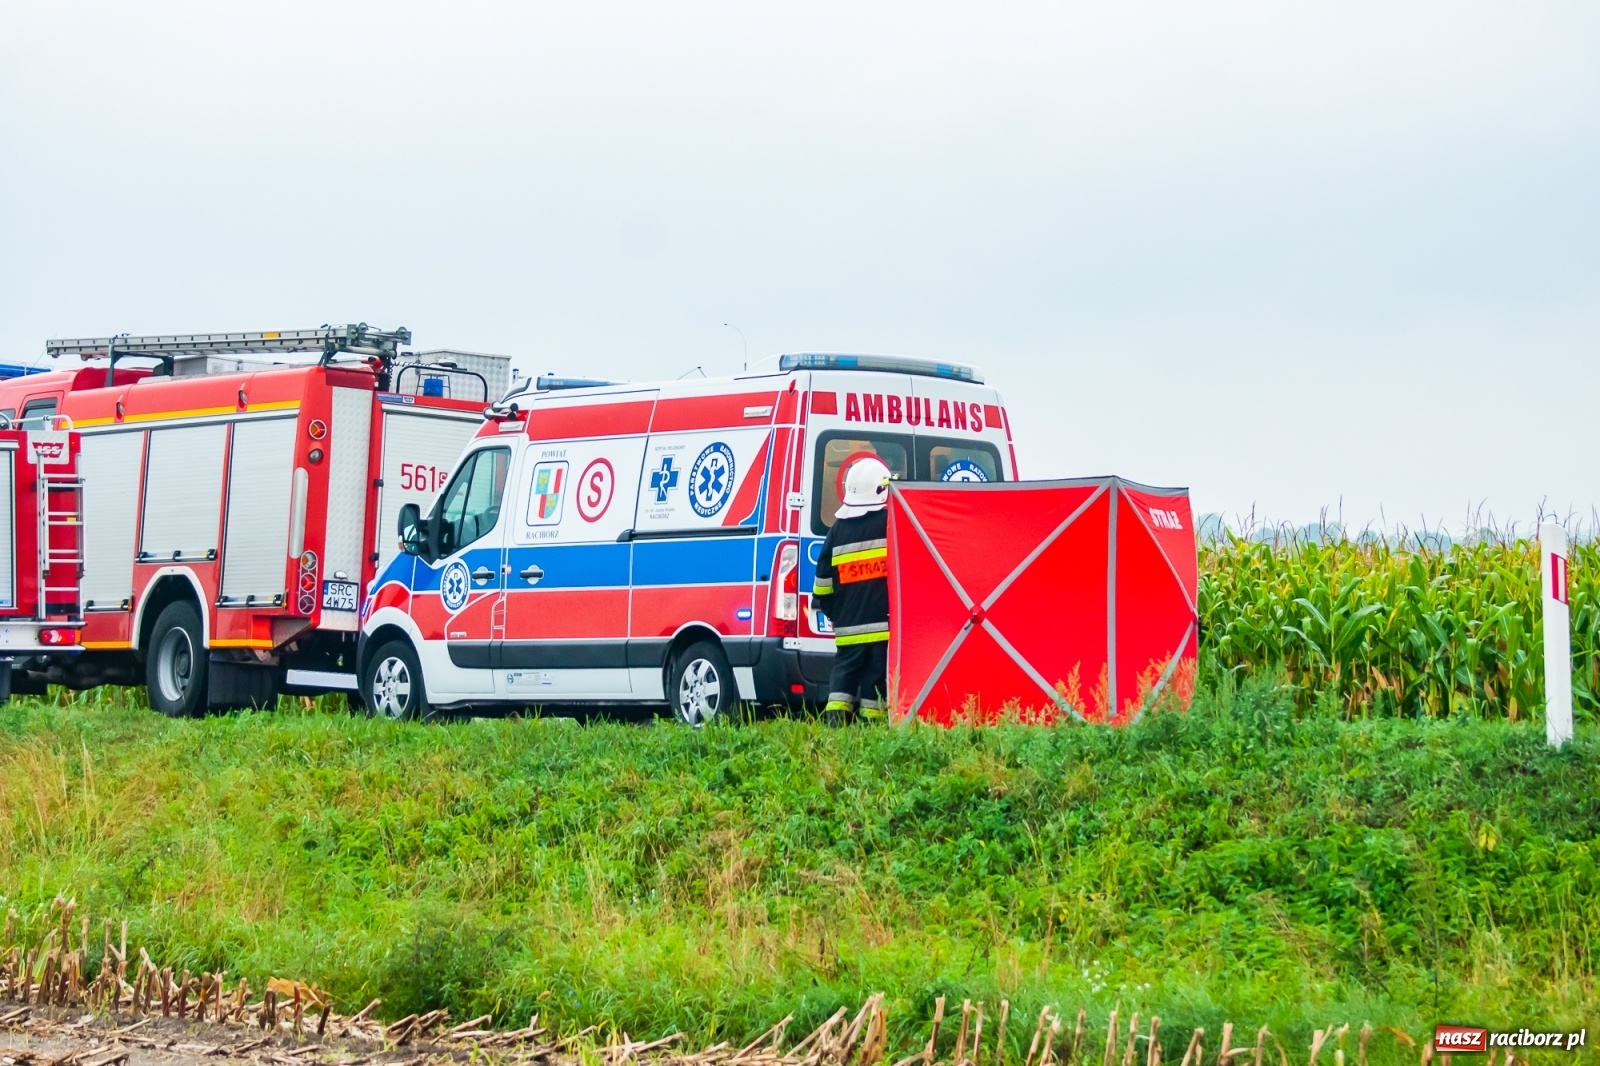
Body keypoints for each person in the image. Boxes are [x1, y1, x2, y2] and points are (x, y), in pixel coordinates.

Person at [813, 456, 892, 716]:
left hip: (847, 628)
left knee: (842, 679)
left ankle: (835, 725)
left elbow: (822, 584)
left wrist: (834, 613)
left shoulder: (837, 530)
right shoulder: (889, 525)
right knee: (875, 680)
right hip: (882, 628)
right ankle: (872, 733)